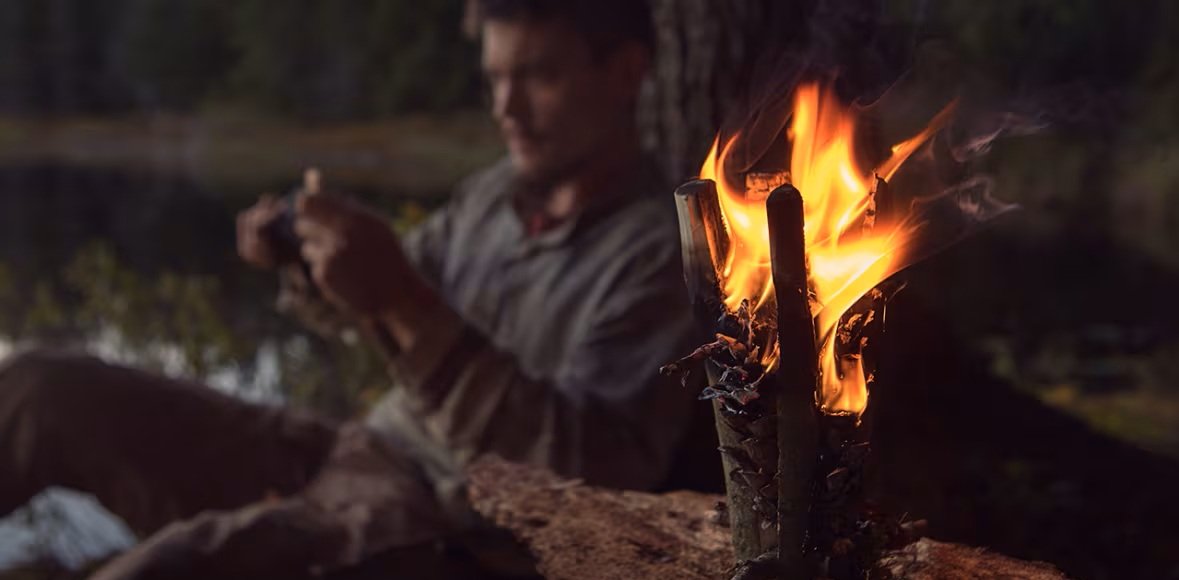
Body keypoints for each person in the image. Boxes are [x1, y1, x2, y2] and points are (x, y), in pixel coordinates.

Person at [0, 1, 707, 577]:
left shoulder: (654, 255)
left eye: (539, 76)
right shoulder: (494, 197)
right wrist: (310, 264)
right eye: (495, 79)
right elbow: (379, 298)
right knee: (38, 393)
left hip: (437, 523)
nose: (506, 108)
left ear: (625, 72)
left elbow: (593, 479)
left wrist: (400, 297)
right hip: (348, 451)